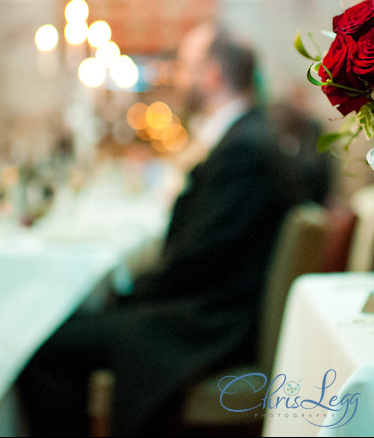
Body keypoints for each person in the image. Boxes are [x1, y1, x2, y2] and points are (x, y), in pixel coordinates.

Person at [17, 24, 307, 436]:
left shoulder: (244, 148)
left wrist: (131, 293)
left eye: (186, 66)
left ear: (211, 76)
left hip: (210, 326)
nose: (178, 77)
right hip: (213, 308)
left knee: (40, 350)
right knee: (74, 328)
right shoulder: (246, 135)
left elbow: (197, 258)